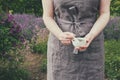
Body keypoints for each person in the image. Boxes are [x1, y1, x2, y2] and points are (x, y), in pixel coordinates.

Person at [42, 0, 110, 80]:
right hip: (60, 47)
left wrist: (92, 34)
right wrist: (59, 34)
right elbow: (47, 16)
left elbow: (105, 13)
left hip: (92, 45)